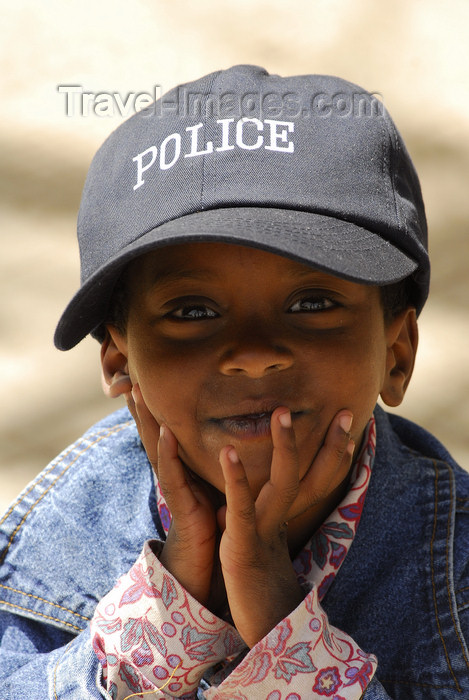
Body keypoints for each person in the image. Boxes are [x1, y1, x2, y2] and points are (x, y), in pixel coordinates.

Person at [0, 65, 467, 700]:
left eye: (312, 303)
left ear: (397, 354)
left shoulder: (455, 567)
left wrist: (287, 637)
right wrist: (164, 630)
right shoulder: (54, 541)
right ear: (118, 361)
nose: (252, 355)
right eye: (192, 312)